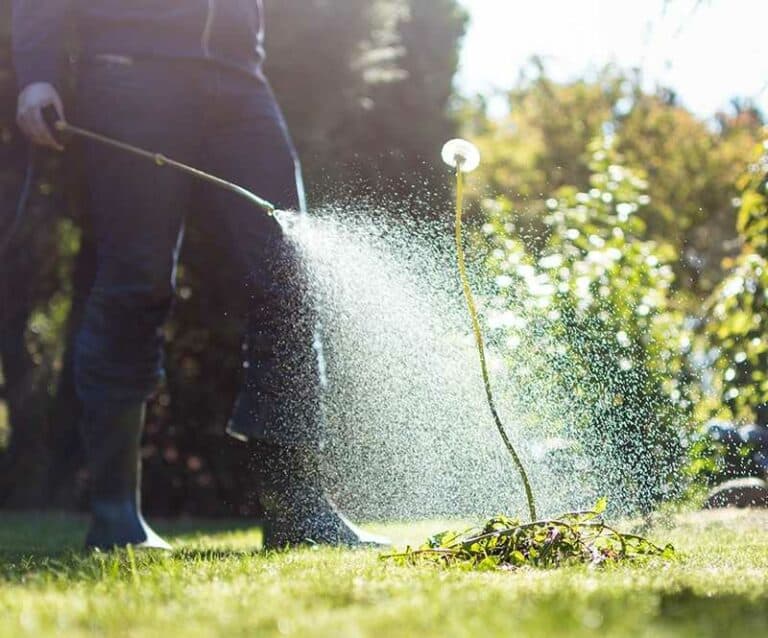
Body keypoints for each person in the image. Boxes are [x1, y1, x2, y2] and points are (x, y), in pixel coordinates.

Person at [12, 0, 387, 550]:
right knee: (136, 282)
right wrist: (38, 72)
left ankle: (297, 512)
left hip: (239, 79)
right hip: (129, 69)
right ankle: (116, 515)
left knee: (291, 273)